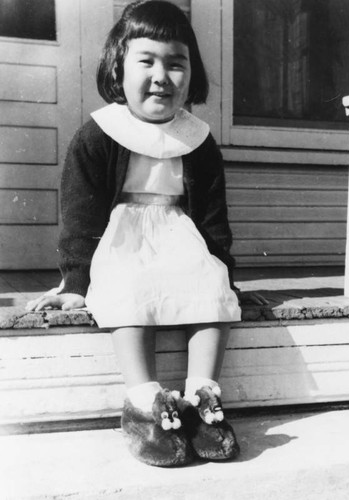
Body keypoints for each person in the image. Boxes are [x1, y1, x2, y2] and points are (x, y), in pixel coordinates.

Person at [26, 0, 265, 467]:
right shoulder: (99, 135)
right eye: (147, 61)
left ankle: (201, 399)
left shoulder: (197, 138)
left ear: (191, 75)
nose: (162, 75)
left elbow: (213, 219)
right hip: (122, 238)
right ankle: (142, 402)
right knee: (129, 286)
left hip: (180, 235)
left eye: (176, 63)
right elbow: (80, 216)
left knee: (209, 285)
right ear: (118, 66)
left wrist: (226, 277)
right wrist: (76, 284)